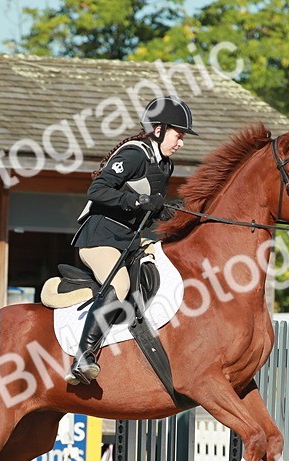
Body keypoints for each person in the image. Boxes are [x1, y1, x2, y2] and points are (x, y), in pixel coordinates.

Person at [64, 96, 197, 386]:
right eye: (179, 135)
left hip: (128, 242)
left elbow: (151, 208)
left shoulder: (164, 166)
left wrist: (172, 209)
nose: (181, 143)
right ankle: (83, 357)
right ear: (159, 129)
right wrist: (139, 200)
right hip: (99, 236)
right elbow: (97, 190)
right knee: (120, 285)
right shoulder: (136, 154)